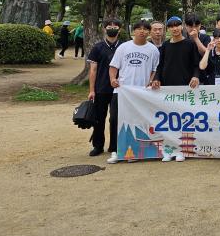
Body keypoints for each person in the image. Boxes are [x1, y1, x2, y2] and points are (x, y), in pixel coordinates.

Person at [107, 19, 160, 164]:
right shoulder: (124, 47)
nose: (142, 31)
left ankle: (134, 151)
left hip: (141, 92)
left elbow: (155, 70)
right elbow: (113, 67)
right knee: (115, 120)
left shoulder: (153, 50)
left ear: (148, 32)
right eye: (139, 29)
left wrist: (151, 81)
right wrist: (112, 79)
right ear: (133, 31)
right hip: (122, 91)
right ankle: (115, 151)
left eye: (145, 29)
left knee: (138, 121)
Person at [86, 18, 123, 157]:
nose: (112, 28)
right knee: (99, 118)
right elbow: (93, 70)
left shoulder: (125, 46)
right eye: (109, 26)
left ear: (120, 29)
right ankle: (98, 145)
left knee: (115, 119)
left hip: (119, 89)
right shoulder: (97, 47)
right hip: (101, 88)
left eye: (115, 26)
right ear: (104, 28)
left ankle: (114, 146)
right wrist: (92, 90)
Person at [152, 16, 201, 90]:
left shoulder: (190, 44)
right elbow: (160, 65)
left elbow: (196, 64)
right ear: (168, 29)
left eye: (177, 25)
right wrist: (156, 78)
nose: (175, 29)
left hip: (186, 84)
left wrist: (196, 76)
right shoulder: (165, 45)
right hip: (166, 85)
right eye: (171, 27)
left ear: (182, 27)